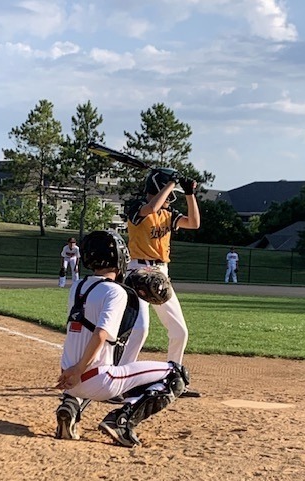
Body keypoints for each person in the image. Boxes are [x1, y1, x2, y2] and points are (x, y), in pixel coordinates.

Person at [55, 230, 190, 448]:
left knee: (104, 351)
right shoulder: (116, 292)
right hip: (95, 379)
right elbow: (100, 334)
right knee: (176, 375)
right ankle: (121, 421)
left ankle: (71, 405)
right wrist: (80, 369)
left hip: (69, 379)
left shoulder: (78, 287)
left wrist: (75, 372)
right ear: (119, 258)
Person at [119, 168, 201, 398]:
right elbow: (151, 208)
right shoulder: (135, 207)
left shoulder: (169, 213)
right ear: (158, 189)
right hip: (137, 272)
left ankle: (173, 379)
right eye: (168, 192)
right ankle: (121, 381)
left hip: (161, 273)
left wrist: (189, 193)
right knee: (140, 330)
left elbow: (194, 223)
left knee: (180, 331)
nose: (169, 199)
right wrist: (170, 183)